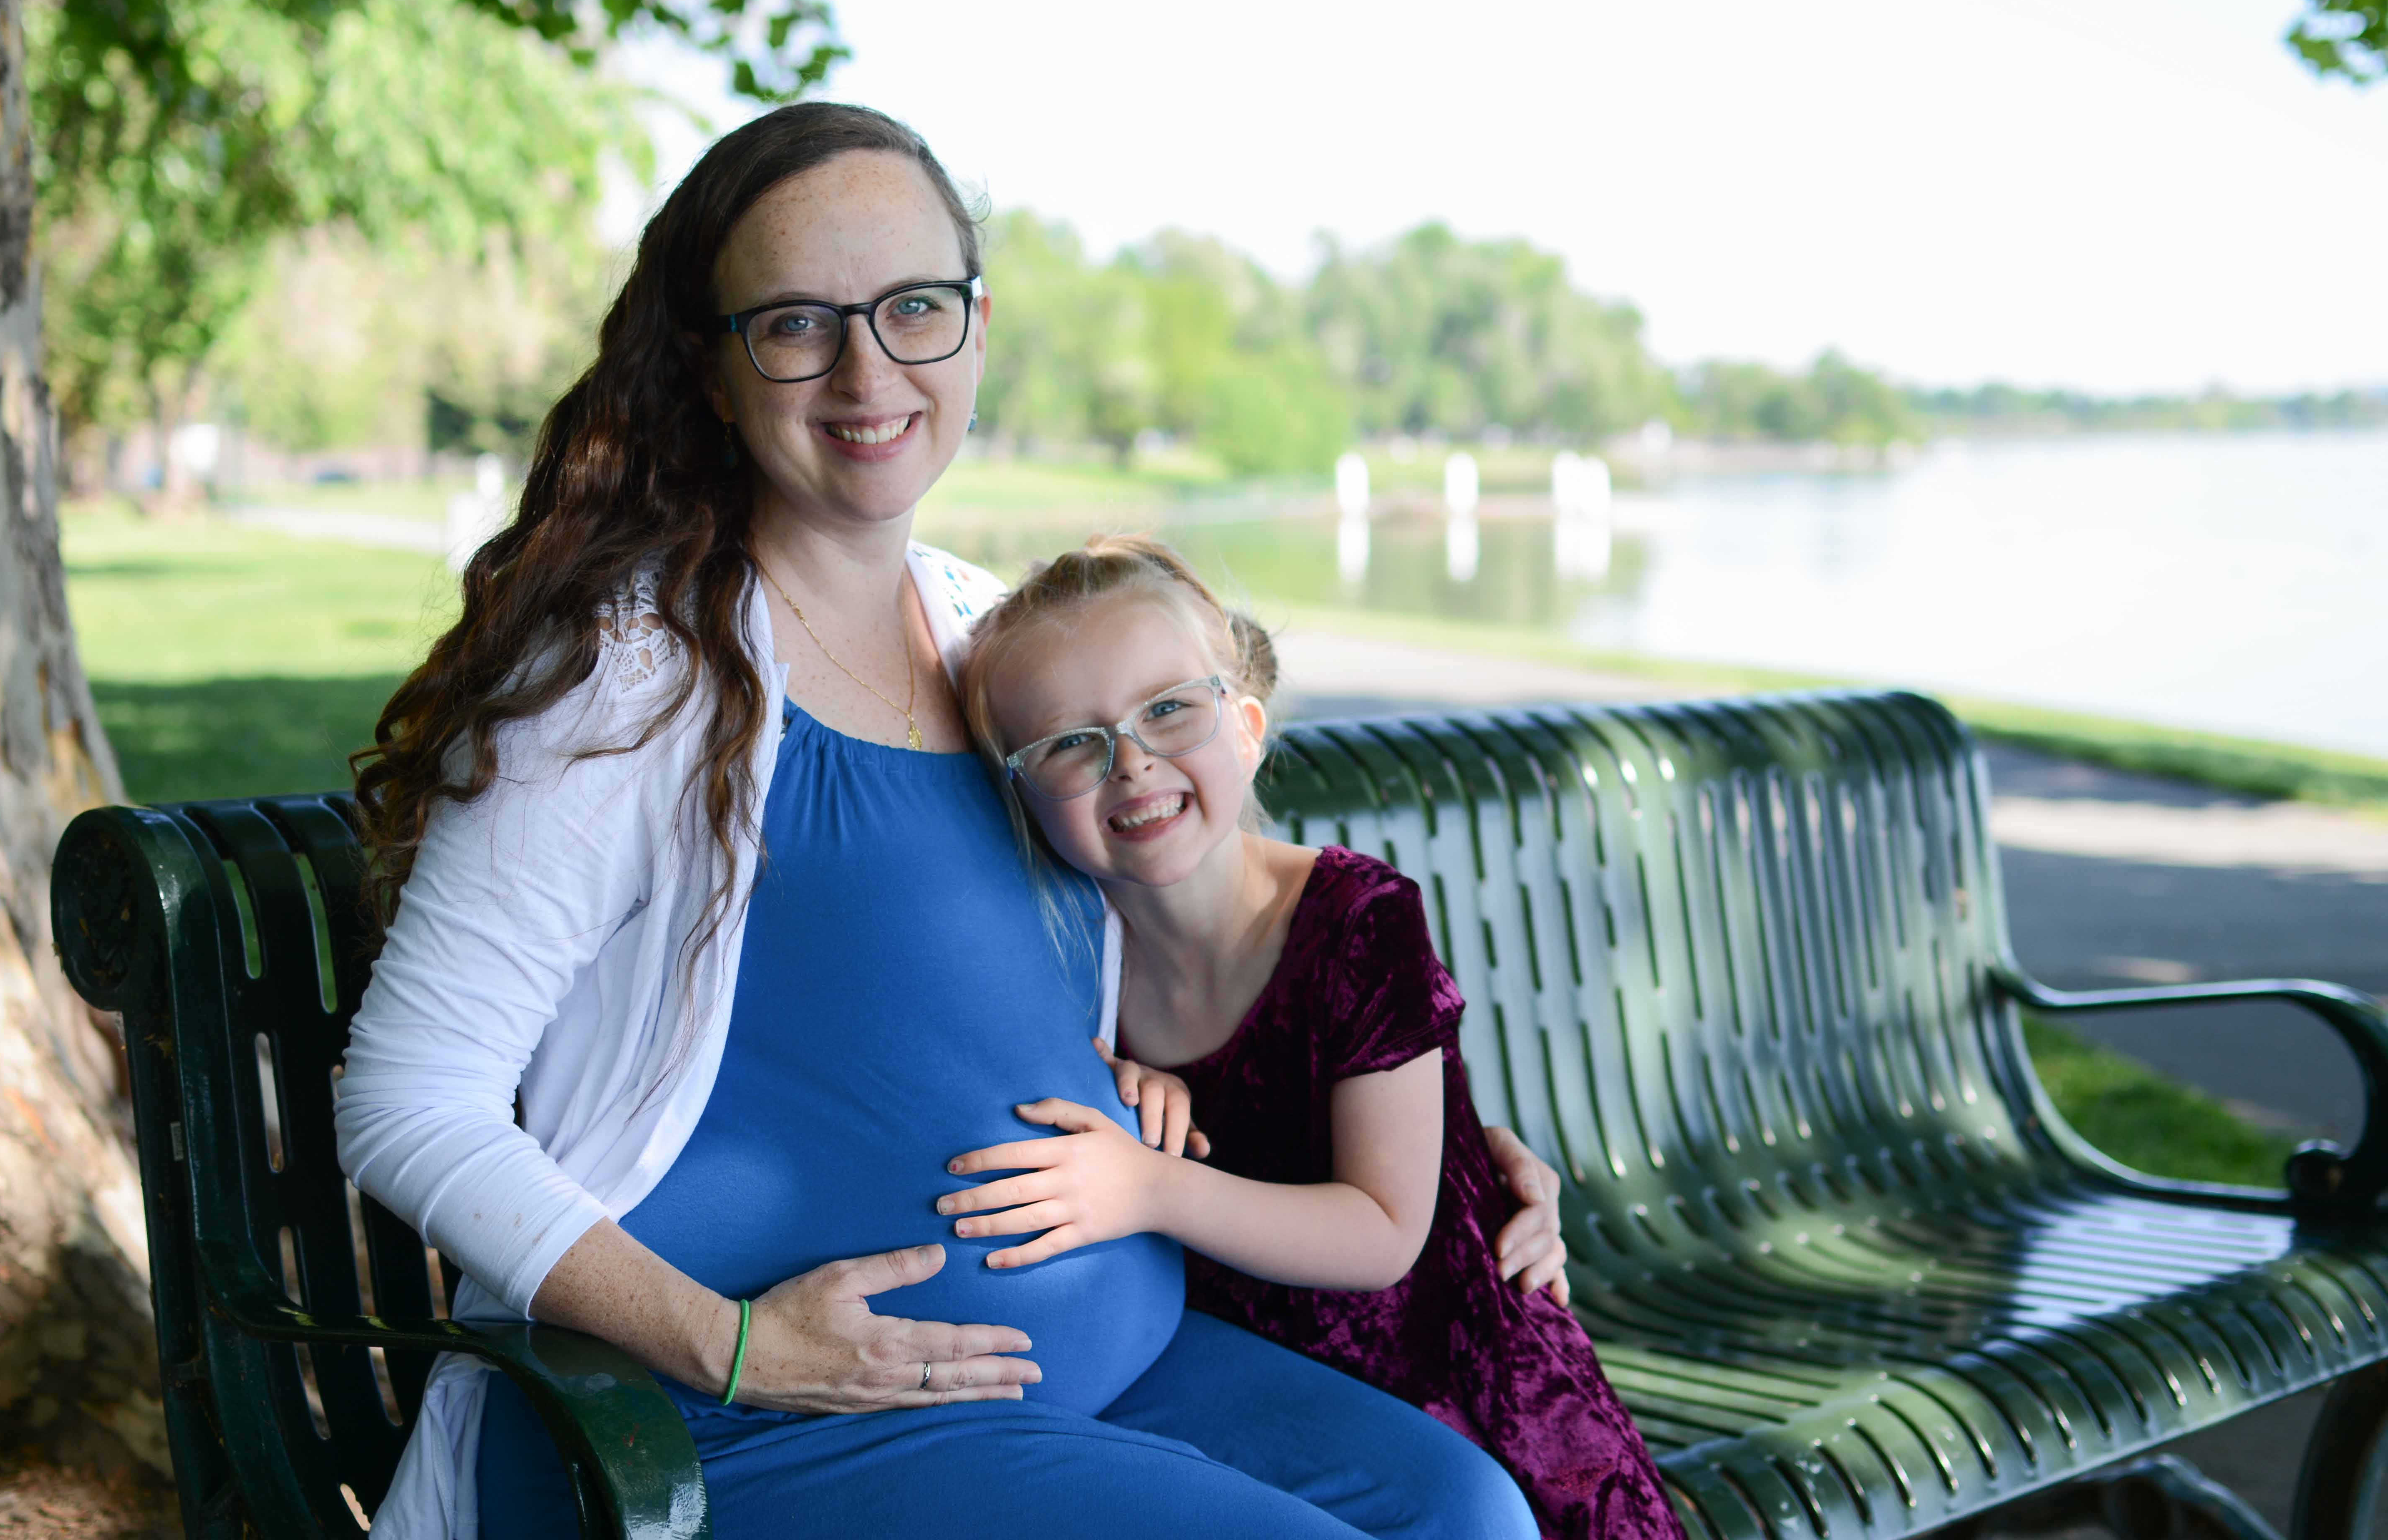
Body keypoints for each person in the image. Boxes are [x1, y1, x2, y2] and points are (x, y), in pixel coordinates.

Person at [334, 102, 1572, 1540]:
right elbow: (406, 1101)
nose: (867, 371)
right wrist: (728, 1347)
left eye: (913, 308)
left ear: (976, 328)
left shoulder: (992, 637)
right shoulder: (629, 676)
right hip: (741, 1427)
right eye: (797, 324)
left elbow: (1167, 926)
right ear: (713, 369)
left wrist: (1430, 1135)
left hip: (1103, 1373)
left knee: (1471, 1517)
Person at [949, 537, 1685, 1540]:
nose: (1132, 761)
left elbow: (1382, 1230)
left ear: (1246, 729)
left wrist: (1149, 1185)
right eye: (1072, 742)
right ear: (1023, 796)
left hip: (1463, 1390)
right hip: (1260, 1410)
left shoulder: (1356, 919)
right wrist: (1113, 1079)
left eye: (1168, 709)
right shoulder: (1071, 959)